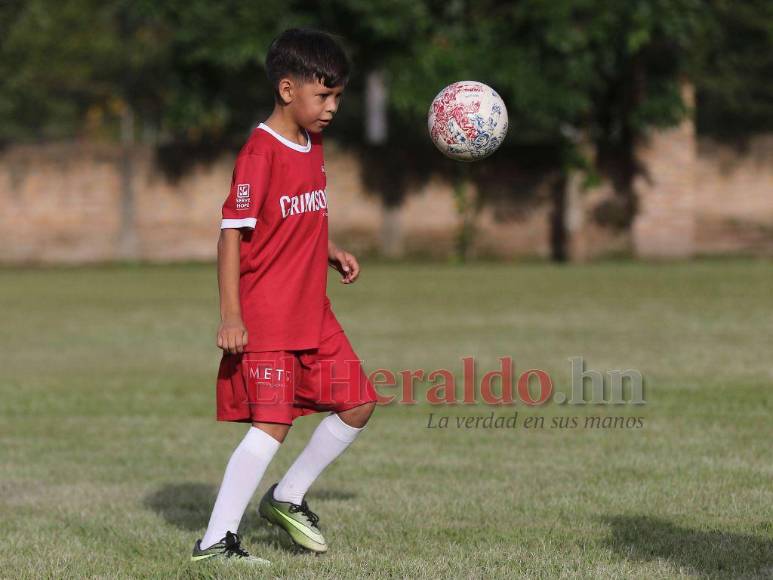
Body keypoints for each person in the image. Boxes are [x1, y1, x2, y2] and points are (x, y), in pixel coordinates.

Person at [191, 28, 378, 565]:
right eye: (325, 96)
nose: (333, 108)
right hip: (269, 315)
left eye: (339, 97)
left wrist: (329, 249)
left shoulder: (311, 143)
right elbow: (231, 234)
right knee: (272, 423)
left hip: (313, 311)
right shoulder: (259, 152)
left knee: (359, 402)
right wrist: (231, 314)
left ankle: (287, 497)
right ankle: (215, 541)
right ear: (287, 88)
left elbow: (294, 218)